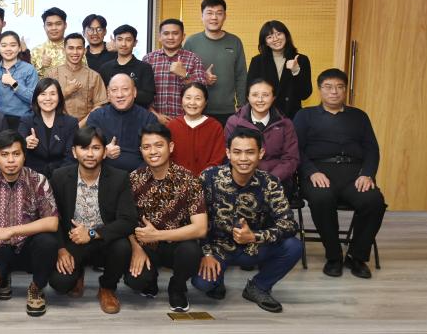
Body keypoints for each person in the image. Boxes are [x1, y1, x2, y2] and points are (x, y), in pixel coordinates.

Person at [192, 127, 301, 313]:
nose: (243, 158)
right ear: (228, 153)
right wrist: (207, 254)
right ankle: (217, 281)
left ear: (261, 153)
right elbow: (196, 221)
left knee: (294, 246)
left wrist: (254, 237)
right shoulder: (209, 177)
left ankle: (258, 287)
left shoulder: (270, 182)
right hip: (218, 248)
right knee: (203, 284)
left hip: (254, 247)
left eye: (250, 152)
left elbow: (289, 224)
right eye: (237, 152)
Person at [294, 68, 386, 279]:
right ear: (320, 90)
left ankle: (357, 256)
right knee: (321, 198)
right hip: (318, 171)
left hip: (354, 174)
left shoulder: (359, 116)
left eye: (339, 87)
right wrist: (311, 172)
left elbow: (372, 149)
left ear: (345, 90)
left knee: (374, 201)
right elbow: (295, 150)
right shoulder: (305, 115)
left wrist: (367, 174)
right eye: (328, 87)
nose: (334, 91)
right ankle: (334, 256)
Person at [48, 126, 136, 314]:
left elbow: (128, 220)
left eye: (96, 148)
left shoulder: (119, 178)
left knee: (122, 246)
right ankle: (77, 273)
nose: (89, 154)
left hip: (104, 239)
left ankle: (107, 288)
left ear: (104, 152)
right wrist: (61, 249)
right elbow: (52, 217)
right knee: (60, 284)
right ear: (74, 152)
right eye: (84, 148)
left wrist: (92, 233)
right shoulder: (59, 176)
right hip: (73, 241)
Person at [0, 130, 60, 317]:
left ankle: (36, 288)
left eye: (16, 154)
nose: (11, 160)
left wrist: (11, 231)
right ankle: (3, 277)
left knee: (48, 241)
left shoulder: (38, 181)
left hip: (29, 247)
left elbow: (52, 222)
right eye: (4, 154)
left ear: (24, 155)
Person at [125, 124, 207, 313]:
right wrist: (136, 248)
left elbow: (200, 228)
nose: (153, 151)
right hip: (145, 245)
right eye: (146, 147)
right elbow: (123, 220)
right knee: (135, 281)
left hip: (176, 245)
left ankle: (177, 287)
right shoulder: (133, 179)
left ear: (170, 147)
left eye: (158, 145)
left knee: (191, 251)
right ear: (141, 150)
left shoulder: (189, 180)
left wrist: (158, 235)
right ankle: (150, 280)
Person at [224, 78, 300, 195]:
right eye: (255, 95)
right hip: (242, 177)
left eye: (265, 95)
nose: (260, 100)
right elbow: (229, 154)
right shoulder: (234, 122)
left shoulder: (285, 124)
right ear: (248, 97)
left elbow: (291, 159)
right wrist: (247, 178)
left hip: (277, 179)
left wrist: (270, 179)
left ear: (273, 97)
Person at [183, 0, 247, 126]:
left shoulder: (235, 41)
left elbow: (241, 76)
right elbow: (183, 76)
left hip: (228, 110)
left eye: (219, 13)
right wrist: (202, 78)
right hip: (197, 109)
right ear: (202, 16)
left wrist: (241, 105)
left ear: (225, 16)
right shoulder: (191, 42)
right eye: (209, 13)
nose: (214, 17)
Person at [85, 73, 160, 172]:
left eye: (125, 89)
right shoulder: (96, 117)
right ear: (108, 94)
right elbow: (86, 151)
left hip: (139, 175)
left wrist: (138, 175)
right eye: (114, 90)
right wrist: (103, 151)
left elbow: (155, 154)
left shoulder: (148, 119)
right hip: (102, 174)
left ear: (134, 92)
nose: (119, 95)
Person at [143, 18, 206, 123]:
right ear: (159, 37)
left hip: (186, 121)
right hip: (154, 120)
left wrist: (185, 75)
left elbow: (202, 91)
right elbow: (141, 92)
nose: (171, 37)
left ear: (183, 36)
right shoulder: (148, 59)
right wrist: (155, 115)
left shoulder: (194, 59)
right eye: (166, 33)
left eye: (175, 33)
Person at [247, 20, 312, 118]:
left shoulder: (301, 60)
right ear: (265, 42)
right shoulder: (257, 61)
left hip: (291, 115)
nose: (275, 39)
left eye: (279, 34)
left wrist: (296, 71)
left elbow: (305, 94)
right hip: (265, 115)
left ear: (286, 35)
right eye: (269, 37)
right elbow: (250, 91)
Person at [18, 78, 77, 177]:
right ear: (36, 98)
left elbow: (71, 156)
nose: (48, 98)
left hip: (62, 176)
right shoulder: (26, 121)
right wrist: (25, 143)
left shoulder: (71, 123)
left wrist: (59, 176)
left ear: (59, 97)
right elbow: (18, 149)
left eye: (53, 94)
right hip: (32, 177)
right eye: (43, 94)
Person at [46, 33, 107, 123]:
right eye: (71, 48)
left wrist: (80, 125)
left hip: (87, 126)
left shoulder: (94, 76)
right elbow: (45, 102)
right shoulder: (52, 74)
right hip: (57, 124)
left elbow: (99, 106)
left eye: (79, 48)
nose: (75, 52)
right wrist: (66, 91)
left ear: (84, 51)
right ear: (64, 50)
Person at [168, 82, 225, 176]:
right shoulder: (172, 125)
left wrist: (204, 176)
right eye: (188, 98)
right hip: (176, 179)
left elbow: (217, 158)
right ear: (181, 100)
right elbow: (167, 156)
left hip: (207, 179)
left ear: (205, 102)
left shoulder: (215, 127)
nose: (192, 103)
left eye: (198, 98)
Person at [98, 25, 156, 109]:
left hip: (138, 114)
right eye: (119, 39)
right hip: (110, 115)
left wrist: (122, 93)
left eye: (128, 40)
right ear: (114, 41)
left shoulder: (144, 68)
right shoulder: (105, 68)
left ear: (135, 43)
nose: (123, 44)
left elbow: (148, 97)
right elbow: (101, 97)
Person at [0, 30, 39, 129]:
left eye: (13, 45)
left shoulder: (29, 69)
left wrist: (13, 83)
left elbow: (34, 98)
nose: (8, 49)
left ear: (19, 48)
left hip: (23, 120)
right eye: (4, 45)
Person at [30, 7, 68, 77]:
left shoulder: (75, 49)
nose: (54, 28)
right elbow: (29, 79)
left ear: (65, 25)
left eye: (58, 24)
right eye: (49, 24)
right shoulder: (35, 51)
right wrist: (41, 66)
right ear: (44, 27)